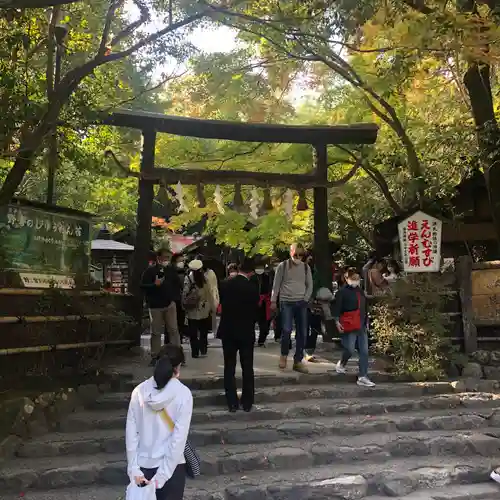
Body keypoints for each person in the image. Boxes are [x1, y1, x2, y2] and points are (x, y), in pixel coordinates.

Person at [126, 345, 192, 500]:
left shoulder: (139, 391)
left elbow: (131, 434)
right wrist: (161, 476)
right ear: (178, 366)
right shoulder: (184, 394)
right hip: (172, 470)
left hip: (142, 468)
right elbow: (178, 439)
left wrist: (134, 469)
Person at [218, 257, 260, 412]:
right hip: (246, 331)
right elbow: (256, 310)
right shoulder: (252, 288)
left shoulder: (225, 284)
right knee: (247, 366)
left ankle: (232, 402)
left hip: (228, 330)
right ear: (251, 272)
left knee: (229, 366)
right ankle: (247, 402)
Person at [271, 243, 313, 374]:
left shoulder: (306, 267)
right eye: (296, 255)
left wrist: (305, 299)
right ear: (291, 253)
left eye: (301, 255)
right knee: (287, 330)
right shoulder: (282, 266)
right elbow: (276, 285)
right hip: (286, 302)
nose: (298, 257)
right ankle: (284, 355)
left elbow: (309, 285)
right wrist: (273, 300)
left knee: (302, 332)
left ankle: (298, 361)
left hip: (301, 302)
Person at [333, 267, 375, 387]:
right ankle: (342, 363)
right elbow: (336, 308)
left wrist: (366, 321)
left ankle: (363, 376)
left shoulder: (360, 291)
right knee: (350, 349)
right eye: (353, 278)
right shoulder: (341, 292)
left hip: (361, 324)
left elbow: (364, 306)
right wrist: (337, 321)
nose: (356, 281)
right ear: (346, 279)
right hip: (349, 324)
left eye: (357, 278)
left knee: (364, 351)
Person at [141, 249, 181, 364]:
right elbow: (143, 286)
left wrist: (174, 299)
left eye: (168, 257)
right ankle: (155, 356)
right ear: (158, 258)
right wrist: (154, 285)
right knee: (156, 332)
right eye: (165, 257)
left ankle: (177, 355)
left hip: (169, 304)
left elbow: (177, 284)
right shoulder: (150, 271)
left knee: (173, 330)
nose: (166, 260)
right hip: (155, 306)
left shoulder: (171, 271)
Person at [183, 259, 211, 358]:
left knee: (193, 332)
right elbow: (209, 293)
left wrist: (184, 303)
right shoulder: (205, 278)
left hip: (192, 308)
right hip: (204, 307)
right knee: (203, 331)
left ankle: (195, 352)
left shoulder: (188, 278)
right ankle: (203, 349)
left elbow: (185, 292)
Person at [196, 255, 219, 335]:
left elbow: (214, 287)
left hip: (209, 297)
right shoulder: (197, 273)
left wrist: (215, 298)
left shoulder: (210, 273)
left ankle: (211, 331)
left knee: (210, 315)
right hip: (202, 297)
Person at [253, 261, 273, 347]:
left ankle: (261, 340)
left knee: (265, 325)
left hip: (265, 303)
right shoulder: (252, 278)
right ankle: (251, 340)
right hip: (253, 303)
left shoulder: (267, 278)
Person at [171, 254, 188, 344]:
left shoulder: (185, 272)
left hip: (181, 300)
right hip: (172, 300)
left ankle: (179, 339)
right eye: (180, 261)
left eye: (183, 261)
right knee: (172, 323)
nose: (182, 263)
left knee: (180, 321)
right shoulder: (170, 272)